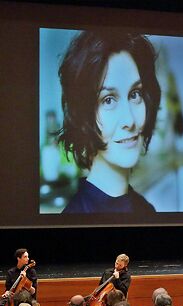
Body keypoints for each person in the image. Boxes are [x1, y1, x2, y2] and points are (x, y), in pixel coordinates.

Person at [58, 30, 161, 213]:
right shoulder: (75, 218)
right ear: (82, 114)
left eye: (135, 94)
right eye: (108, 100)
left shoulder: (145, 209)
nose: (129, 120)